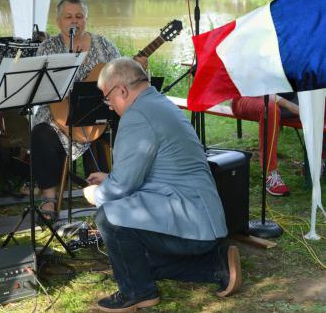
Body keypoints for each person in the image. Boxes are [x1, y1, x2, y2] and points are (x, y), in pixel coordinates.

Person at [83, 57, 242, 312]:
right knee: (137, 261)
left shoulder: (137, 116)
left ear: (122, 90)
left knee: (109, 216)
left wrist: (97, 193)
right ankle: (216, 265)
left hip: (188, 221)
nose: (109, 106)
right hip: (204, 221)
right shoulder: (159, 104)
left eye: (107, 97)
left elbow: (121, 189)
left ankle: (137, 293)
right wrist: (110, 179)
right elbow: (149, 169)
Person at [31, 0, 147, 221]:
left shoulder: (103, 44)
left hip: (99, 111)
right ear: (58, 21)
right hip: (58, 114)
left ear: (86, 19)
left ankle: (113, 187)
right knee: (40, 134)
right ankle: (49, 196)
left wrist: (139, 68)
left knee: (123, 123)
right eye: (68, 17)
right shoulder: (48, 47)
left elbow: (123, 75)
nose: (74, 21)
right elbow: (40, 87)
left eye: (79, 16)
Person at [231, 94, 299, 196]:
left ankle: (322, 161)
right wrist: (289, 105)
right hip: (247, 96)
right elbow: (259, 88)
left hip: (288, 98)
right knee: (269, 108)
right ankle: (271, 174)